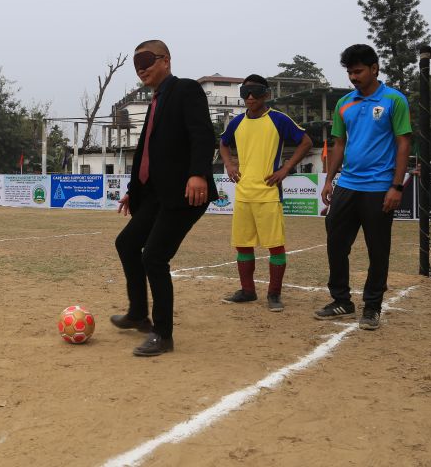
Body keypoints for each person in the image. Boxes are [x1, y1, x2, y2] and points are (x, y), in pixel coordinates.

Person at [111, 40, 217, 357]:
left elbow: (202, 133)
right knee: (127, 243)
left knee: (154, 257)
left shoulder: (185, 90)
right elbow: (146, 152)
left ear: (166, 61)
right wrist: (133, 191)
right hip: (157, 195)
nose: (141, 68)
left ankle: (162, 334)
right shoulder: (156, 100)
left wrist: (198, 173)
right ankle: (138, 314)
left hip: (186, 193)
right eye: (136, 64)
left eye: (147, 60)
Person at [316, 44, 412, 330]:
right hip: (347, 184)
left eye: (358, 71)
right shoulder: (344, 103)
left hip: (380, 187)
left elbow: (403, 142)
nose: (354, 77)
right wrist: (329, 180)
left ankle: (372, 307)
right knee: (335, 244)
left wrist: (397, 186)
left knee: (378, 249)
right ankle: (341, 300)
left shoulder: (394, 100)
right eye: (349, 72)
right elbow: (339, 144)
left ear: (374, 68)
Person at [219, 74, 312, 311]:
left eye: (255, 92)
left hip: (269, 194)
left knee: (276, 246)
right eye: (245, 93)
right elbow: (223, 142)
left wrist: (286, 169)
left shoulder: (279, 120)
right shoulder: (236, 122)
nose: (250, 97)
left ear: (266, 94)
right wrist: (229, 165)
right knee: (242, 245)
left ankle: (274, 295)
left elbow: (306, 142)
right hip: (243, 194)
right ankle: (248, 291)